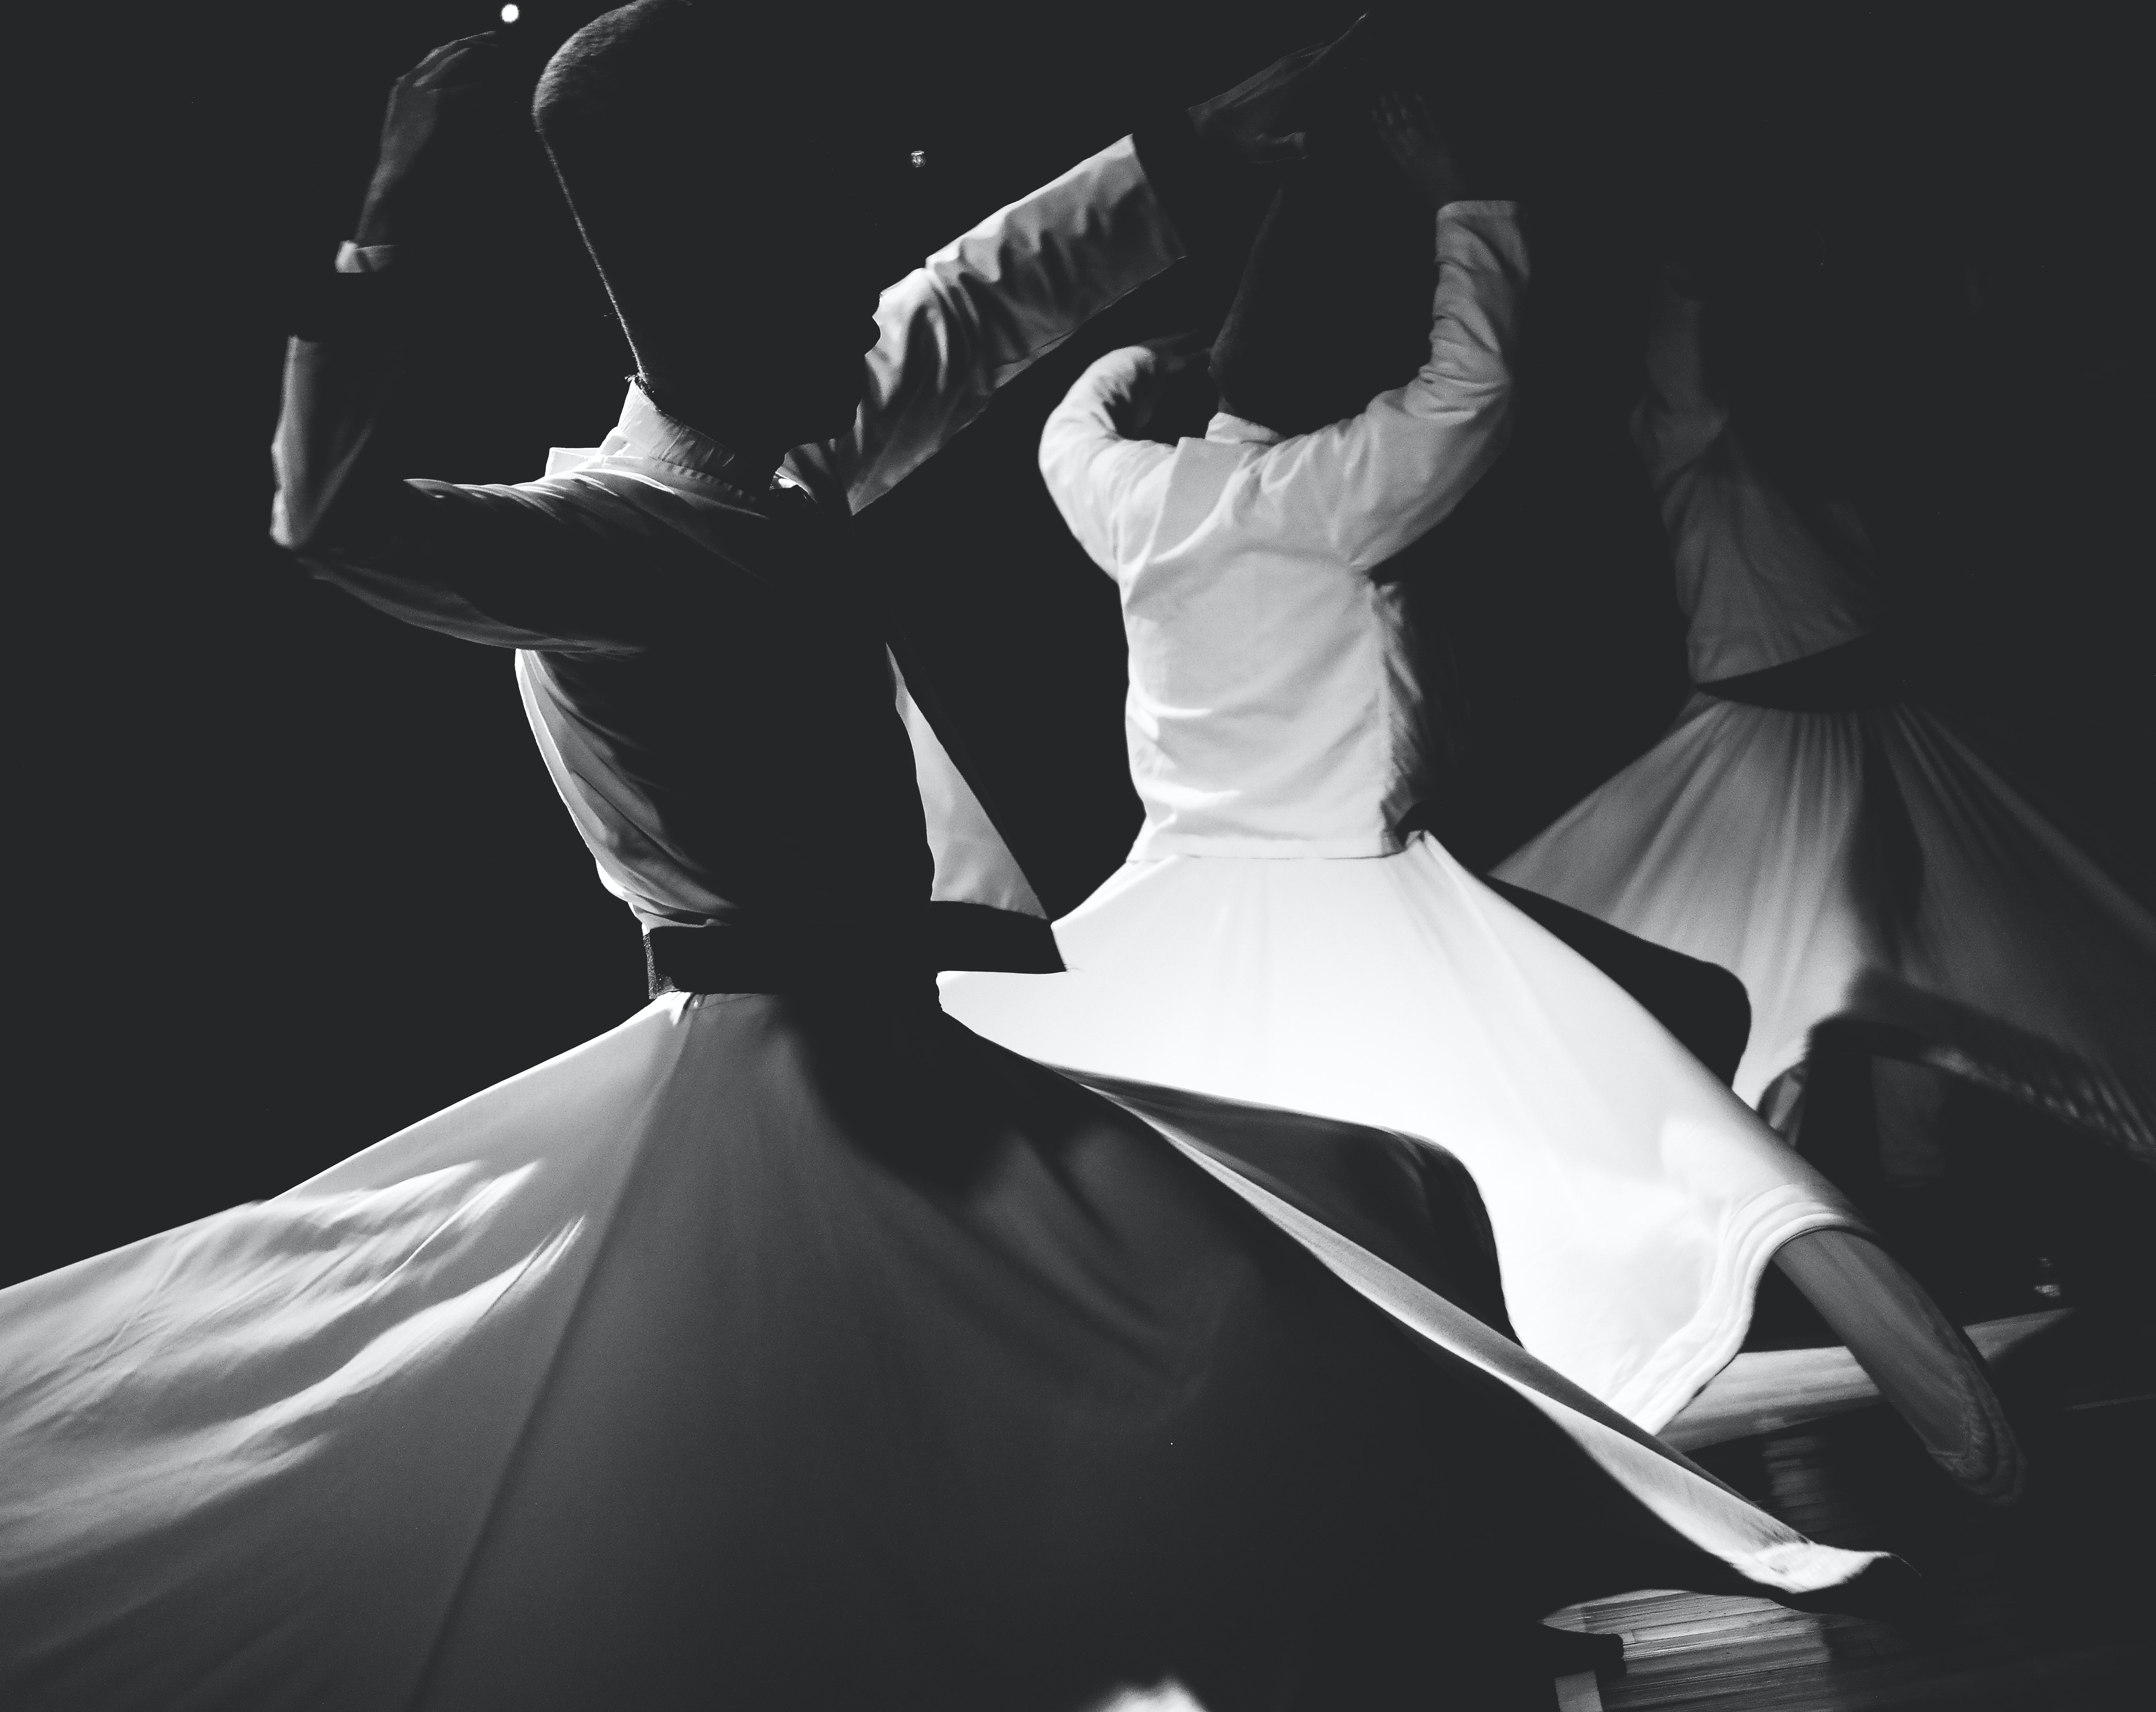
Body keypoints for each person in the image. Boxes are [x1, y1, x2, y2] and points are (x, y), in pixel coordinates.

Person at [0, 12, 1909, 1709]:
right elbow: (327, 522)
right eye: (826, 274)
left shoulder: (779, 456)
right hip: (796, 1096)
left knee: (1348, 1226)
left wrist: (1215, 138)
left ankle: (1370, 1639)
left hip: (898, 1052)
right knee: (1202, 1326)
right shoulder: (614, 543)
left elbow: (986, 294)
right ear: (719, 292)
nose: (867, 313)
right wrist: (386, 231)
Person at [939, 92, 2023, 1504]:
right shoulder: (1329, 490)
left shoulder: (1138, 496)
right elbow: (1474, 387)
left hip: (1189, 892)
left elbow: (1064, 431)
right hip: (1359, 898)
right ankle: (1964, 1432)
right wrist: (1467, 207)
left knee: (1248, 1167)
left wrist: (1151, 364)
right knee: (1667, 1128)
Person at [1494, 260, 2156, 1200]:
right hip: (1768, 746)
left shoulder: (1840, 439)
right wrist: (1694, 277)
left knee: (1932, 975)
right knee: (1772, 982)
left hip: (1890, 735)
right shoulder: (1695, 433)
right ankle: (1764, 1213)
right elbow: (1686, 339)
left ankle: (1913, 1198)